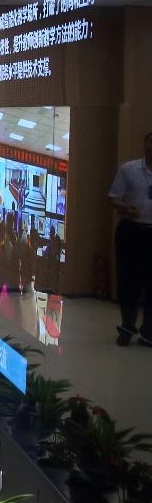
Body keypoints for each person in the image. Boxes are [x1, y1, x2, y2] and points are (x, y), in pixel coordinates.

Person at [108, 131, 152, 346]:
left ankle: (148, 332)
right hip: (131, 231)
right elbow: (112, 198)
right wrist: (125, 208)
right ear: (145, 145)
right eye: (151, 142)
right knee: (128, 281)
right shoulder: (129, 169)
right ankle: (127, 327)